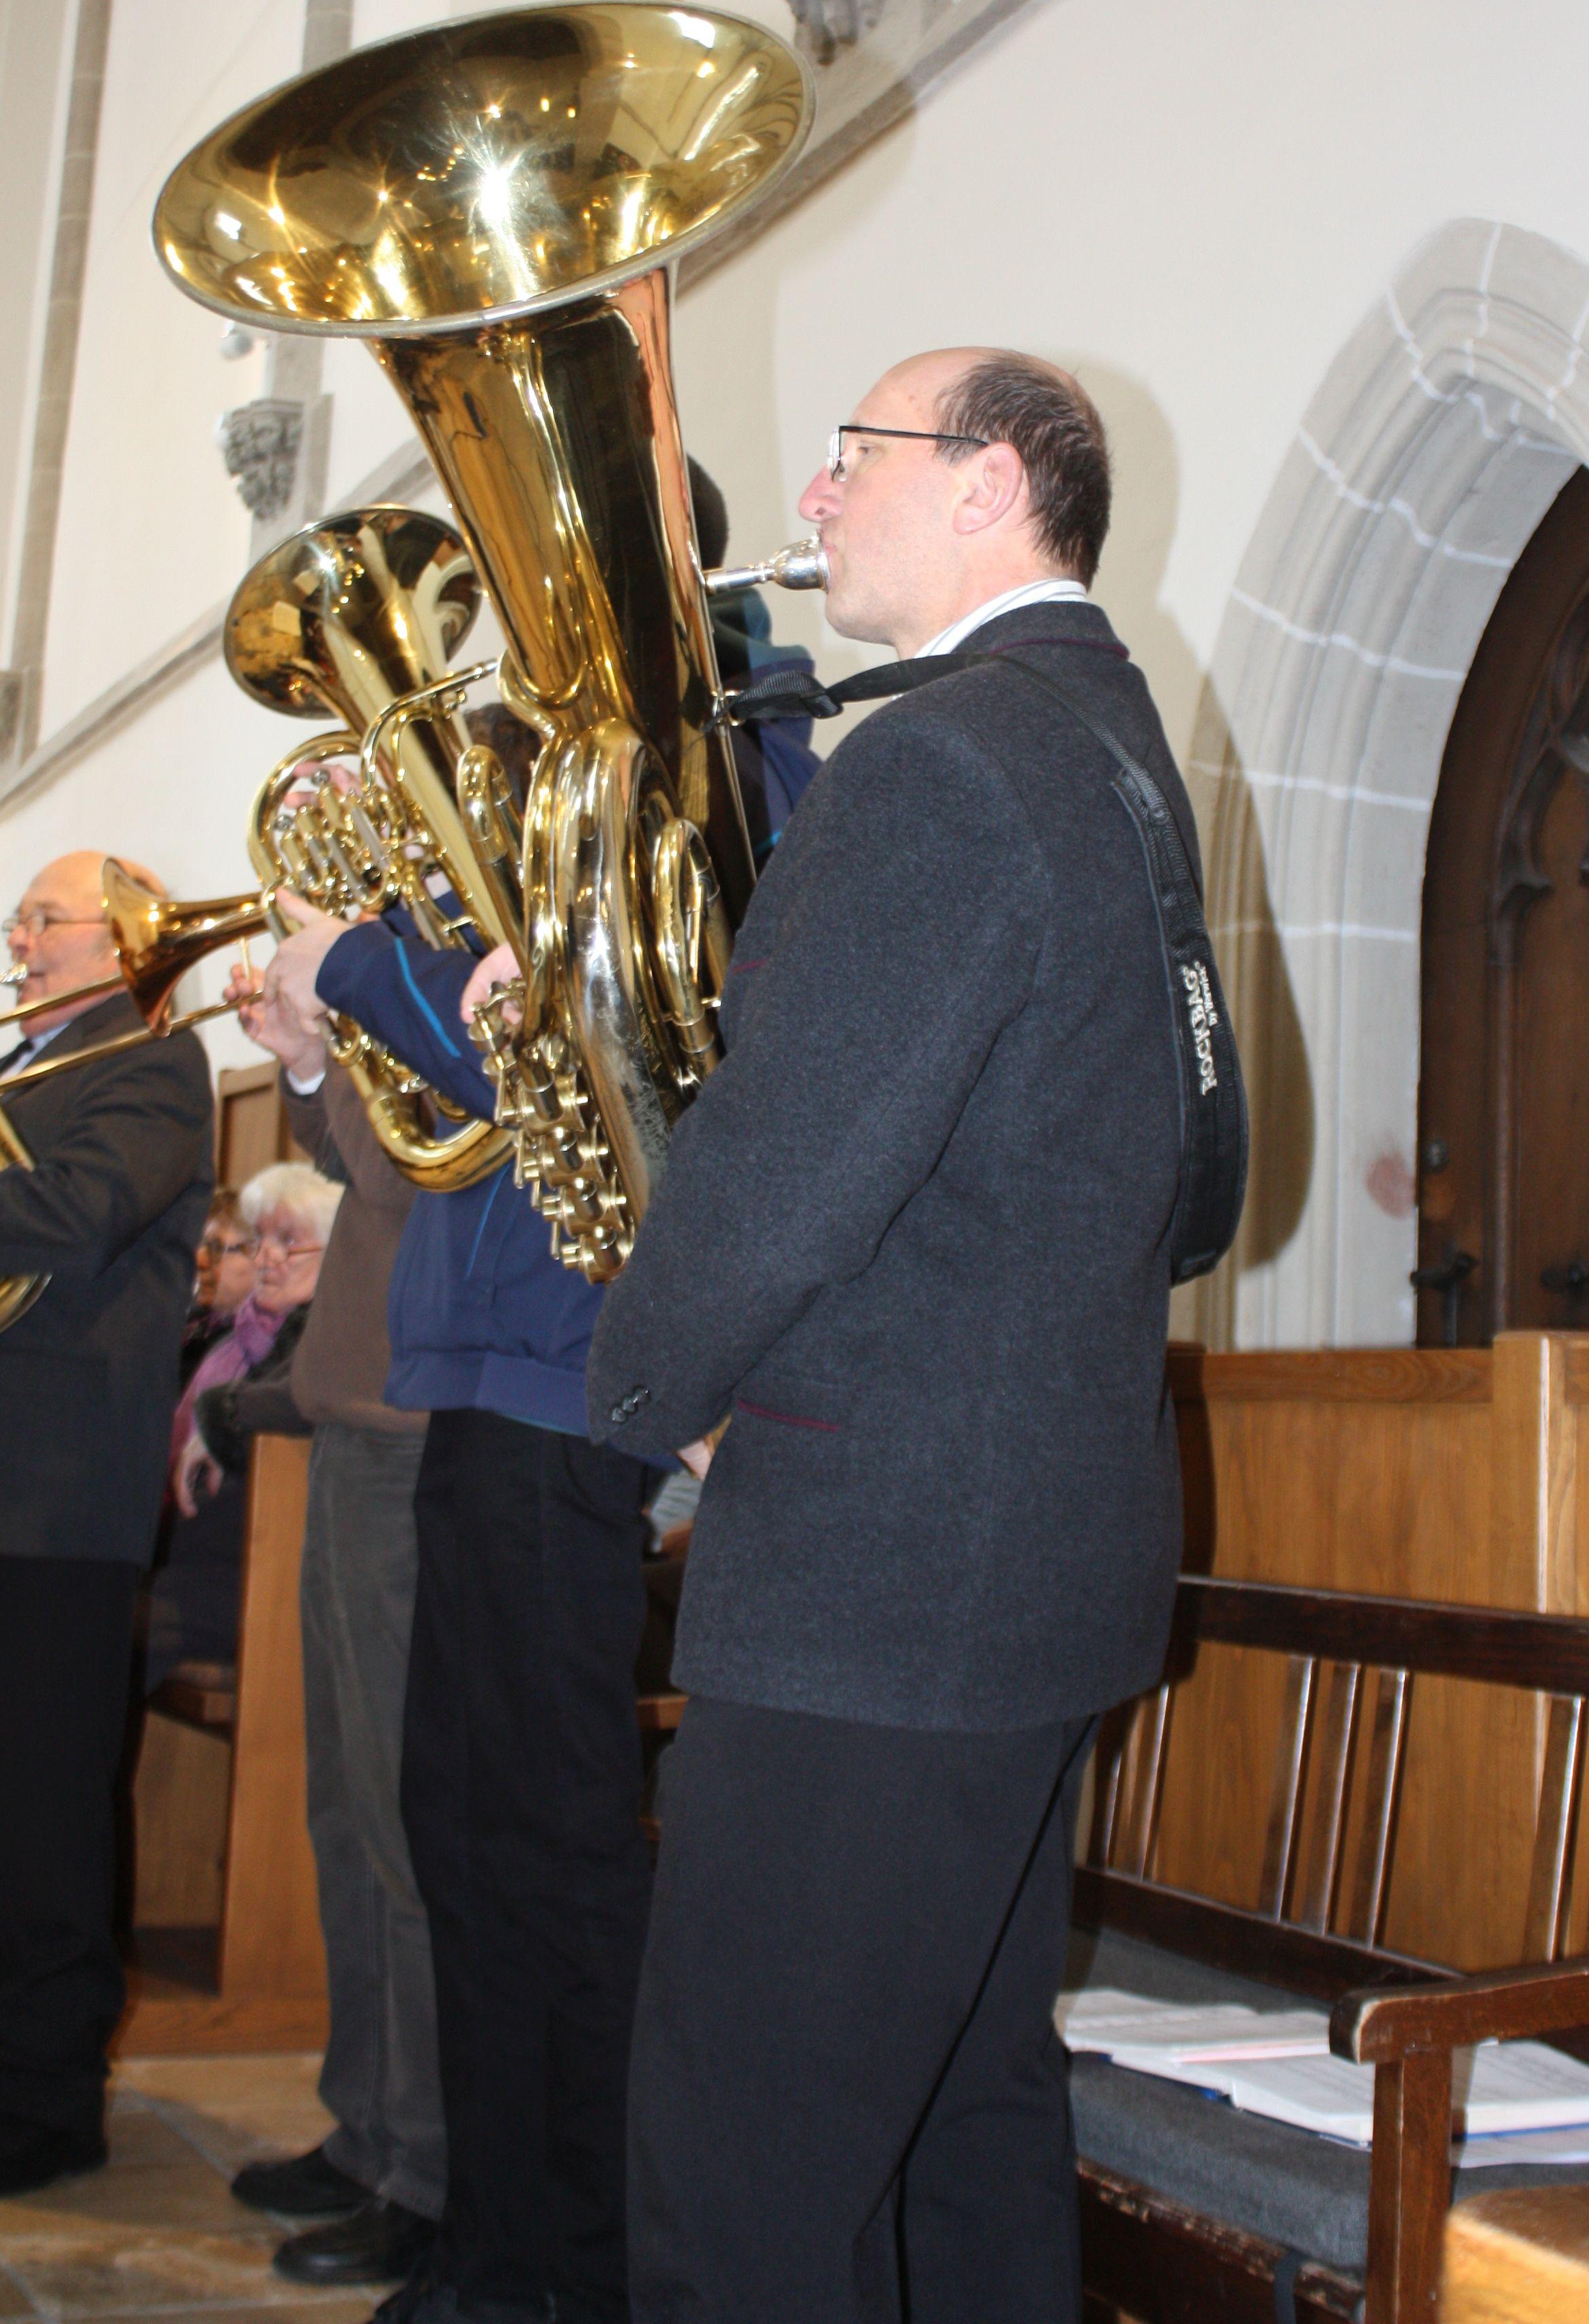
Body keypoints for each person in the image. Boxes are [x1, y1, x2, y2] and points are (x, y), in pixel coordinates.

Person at [582, 352, 1247, 2322]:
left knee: (749, 2187)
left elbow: (787, 1161)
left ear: (989, 484)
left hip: (879, 1575)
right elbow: (1208, 1190)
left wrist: (642, 1394)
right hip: (1033, 1556)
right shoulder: (1112, 747)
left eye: (859, 451)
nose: (817, 485)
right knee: (961, 2134)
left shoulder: (948, 759)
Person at [254, 463, 814, 2324]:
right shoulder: (539, 761)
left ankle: (569, 2270)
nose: (505, 602)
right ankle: (500, 2248)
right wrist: (347, 1010)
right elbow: (465, 1110)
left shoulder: (726, 753)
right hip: (480, 1355)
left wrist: (362, 967)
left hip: (591, 1360)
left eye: (529, 559)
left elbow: (610, 1033)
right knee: (470, 1830)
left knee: (552, 1845)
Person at [0, 851, 214, 2202]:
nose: (19, 941)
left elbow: (77, 1217)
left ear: (120, 942)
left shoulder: (152, 1068)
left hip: (53, 1503)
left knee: (39, 1814)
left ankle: (44, 2101)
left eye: (45, 921)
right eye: (18, 921)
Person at [220, 983, 447, 2293]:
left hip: (407, 1433)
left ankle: (424, 2167)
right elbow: (350, 1153)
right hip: (358, 1423)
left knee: (396, 1819)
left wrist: (339, 1015)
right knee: (341, 1815)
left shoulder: (461, 964)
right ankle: (366, 2128)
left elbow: (409, 1155)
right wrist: (311, 1065)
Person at [146, 1162, 343, 1691]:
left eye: (289, 1241)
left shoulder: (328, 1339)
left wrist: (217, 1419)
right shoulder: (235, 1339)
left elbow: (289, 1407)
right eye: (260, 1240)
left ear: (338, 1251)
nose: (267, 1258)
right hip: (188, 1568)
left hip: (245, 1589)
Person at [181, 1187, 255, 1378]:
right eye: (200, 1245)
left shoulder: (272, 1349)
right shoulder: (186, 1330)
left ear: (262, 1255)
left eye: (216, 1247)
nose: (200, 1260)